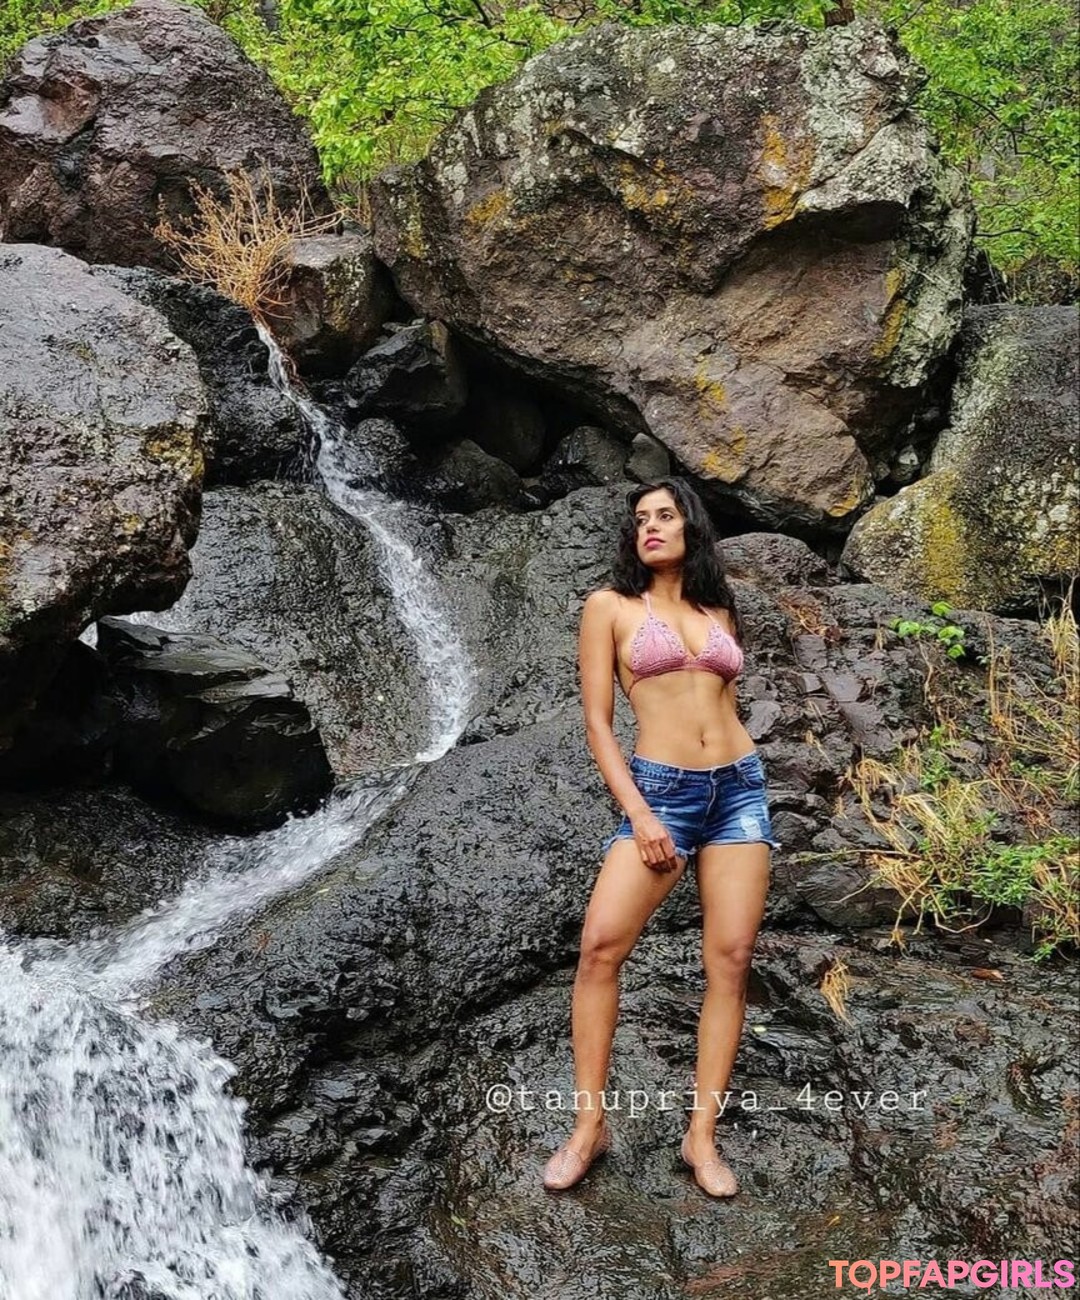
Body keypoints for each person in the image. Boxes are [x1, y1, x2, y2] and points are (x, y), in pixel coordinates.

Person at [542, 477, 779, 1197]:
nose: (650, 526)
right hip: (663, 794)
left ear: (690, 527)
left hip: (738, 790)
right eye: (641, 518)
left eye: (665, 515)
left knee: (730, 960)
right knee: (600, 949)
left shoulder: (719, 608)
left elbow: (722, 702)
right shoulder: (610, 607)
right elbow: (597, 722)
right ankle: (589, 1126)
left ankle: (700, 1137)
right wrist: (641, 813)